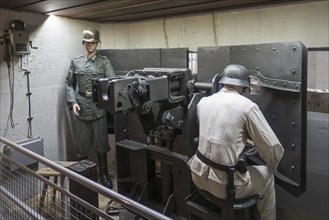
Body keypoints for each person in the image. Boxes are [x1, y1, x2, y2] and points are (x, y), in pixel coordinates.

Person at [188, 64, 284, 220]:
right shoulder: (247, 107)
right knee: (268, 178)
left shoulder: (203, 102)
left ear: (224, 81)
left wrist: (240, 138)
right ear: (244, 86)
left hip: (197, 175)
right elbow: (273, 148)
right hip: (225, 186)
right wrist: (272, 167)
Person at [65, 28, 117, 189]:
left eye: (93, 42)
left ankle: (103, 174)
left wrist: (108, 103)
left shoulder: (104, 62)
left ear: (97, 44)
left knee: (101, 144)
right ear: (83, 43)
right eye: (87, 43)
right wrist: (72, 102)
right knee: (81, 145)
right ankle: (84, 176)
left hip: (98, 107)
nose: (90, 45)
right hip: (81, 106)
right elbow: (69, 84)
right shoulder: (76, 62)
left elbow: (112, 82)